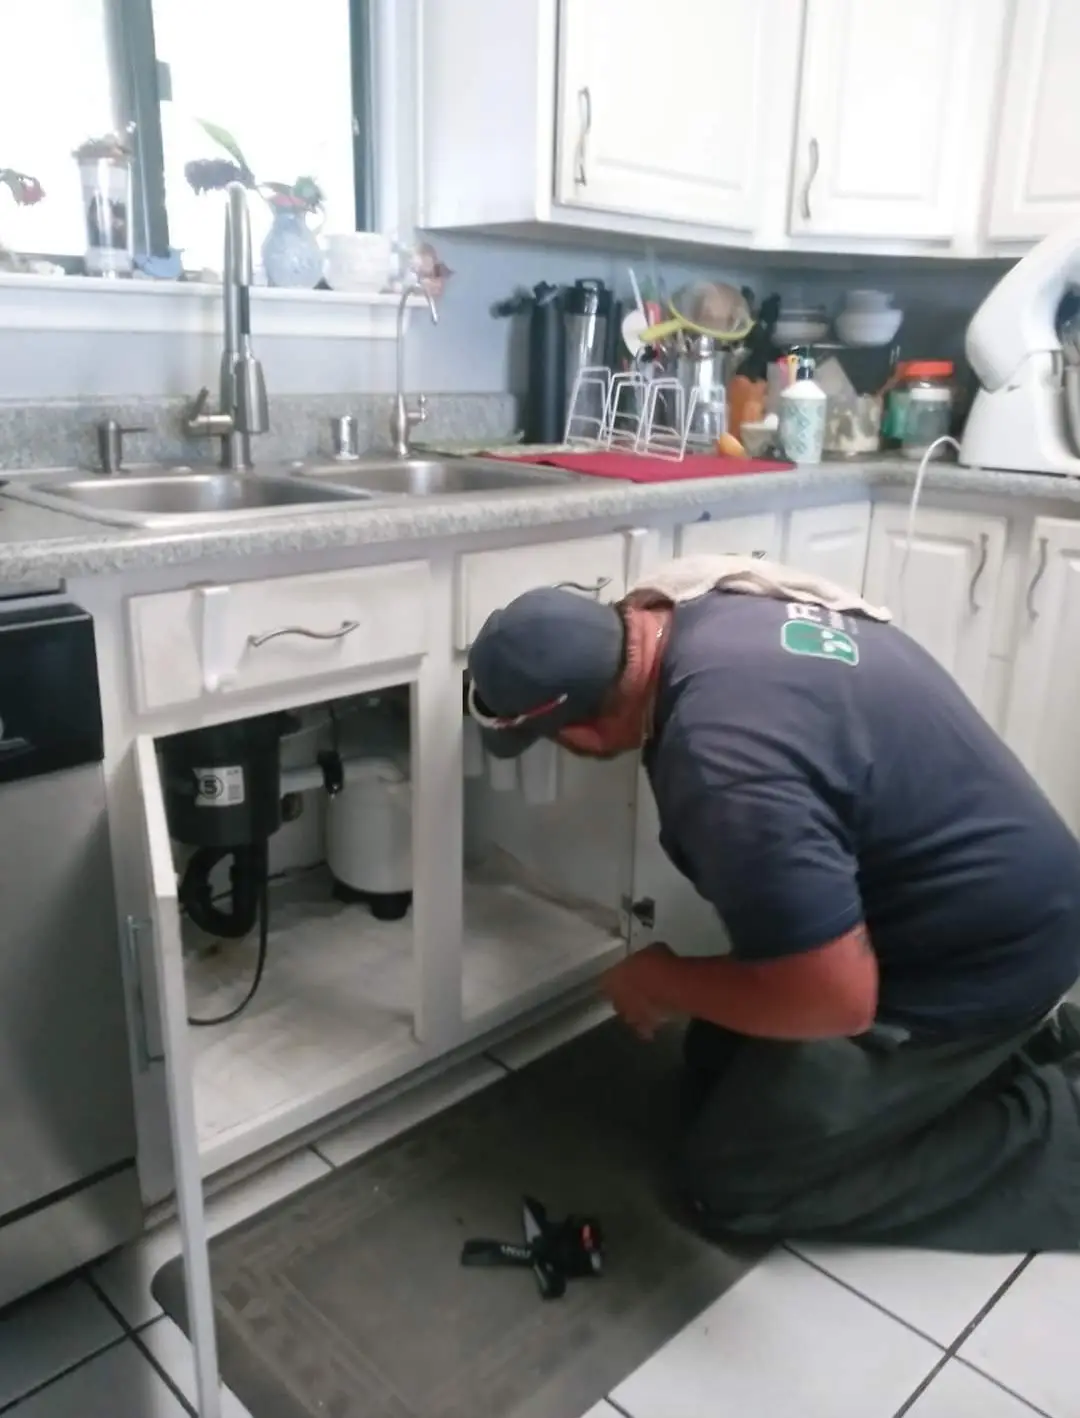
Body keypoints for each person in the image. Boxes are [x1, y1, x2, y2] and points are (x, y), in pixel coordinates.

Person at [465, 563, 1080, 1253]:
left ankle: (1051, 1123)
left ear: (579, 737)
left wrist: (660, 980)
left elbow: (837, 1001)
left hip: (980, 959)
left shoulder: (720, 762)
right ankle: (991, 1055)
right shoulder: (708, 609)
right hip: (992, 897)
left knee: (733, 1185)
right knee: (714, 1058)